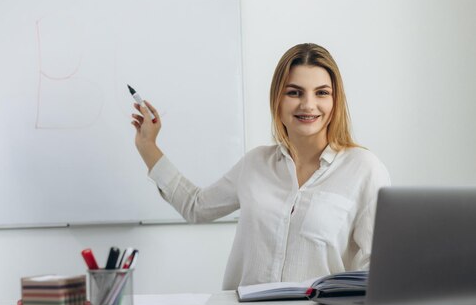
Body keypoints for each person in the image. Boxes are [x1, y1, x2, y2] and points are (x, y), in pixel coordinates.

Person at [130, 43, 390, 290]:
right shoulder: (256, 164)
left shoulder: (364, 169)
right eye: (294, 92)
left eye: (322, 93)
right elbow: (196, 206)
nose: (308, 104)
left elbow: (378, 268)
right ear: (277, 99)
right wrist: (148, 147)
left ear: (335, 101)